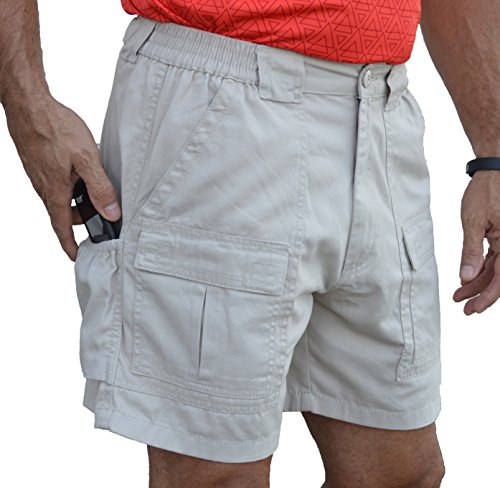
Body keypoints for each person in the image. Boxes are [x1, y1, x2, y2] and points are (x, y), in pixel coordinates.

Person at [0, 1, 498, 486]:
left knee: (403, 473)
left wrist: (493, 153)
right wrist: (29, 109)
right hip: (219, 99)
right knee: (217, 474)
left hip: (383, 108)